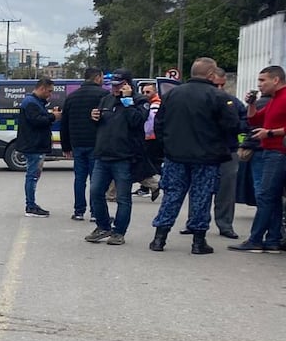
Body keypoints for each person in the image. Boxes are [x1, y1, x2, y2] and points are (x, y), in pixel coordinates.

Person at [148, 57, 239, 253]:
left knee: (172, 195)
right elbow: (232, 125)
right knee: (201, 197)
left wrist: (166, 148)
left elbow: (159, 123)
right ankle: (198, 242)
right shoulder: (218, 97)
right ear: (210, 74)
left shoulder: (172, 95)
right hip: (206, 158)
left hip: (175, 156)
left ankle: (159, 239)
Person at [84, 72, 148, 245]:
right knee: (96, 192)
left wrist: (128, 102)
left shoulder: (140, 100)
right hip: (102, 155)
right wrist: (94, 118)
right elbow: (102, 124)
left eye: (117, 85)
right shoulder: (106, 99)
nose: (113, 88)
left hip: (124, 157)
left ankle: (119, 232)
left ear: (126, 84)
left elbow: (137, 121)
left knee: (123, 197)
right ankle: (103, 226)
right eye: (111, 85)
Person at [229, 65, 286, 253]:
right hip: (270, 151)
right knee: (273, 197)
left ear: (275, 80)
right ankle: (272, 240)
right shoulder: (273, 100)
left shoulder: (284, 98)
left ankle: (256, 239)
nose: (259, 85)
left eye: (263, 80)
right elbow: (254, 120)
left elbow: (269, 128)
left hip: (277, 152)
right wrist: (252, 103)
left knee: (265, 195)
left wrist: (269, 133)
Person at [60, 68, 110, 220]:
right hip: (96, 143)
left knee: (79, 178)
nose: (102, 80)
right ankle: (96, 213)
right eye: (101, 77)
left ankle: (79, 211)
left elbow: (64, 123)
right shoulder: (103, 95)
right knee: (96, 180)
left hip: (77, 143)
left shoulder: (71, 97)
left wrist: (66, 146)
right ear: (97, 78)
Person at [15, 77, 62, 217]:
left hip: (35, 144)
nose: (50, 94)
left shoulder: (35, 102)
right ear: (42, 88)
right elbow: (37, 121)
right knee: (32, 176)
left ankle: (31, 204)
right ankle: (30, 206)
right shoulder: (31, 103)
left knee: (33, 175)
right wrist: (53, 117)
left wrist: (49, 114)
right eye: (49, 91)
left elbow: (39, 118)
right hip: (33, 145)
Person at [210, 67, 248, 239]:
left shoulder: (232, 102)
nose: (219, 89)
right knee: (199, 188)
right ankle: (194, 221)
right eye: (215, 85)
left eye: (222, 85)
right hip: (204, 150)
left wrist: (233, 125)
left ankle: (225, 224)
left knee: (226, 190)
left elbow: (246, 121)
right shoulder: (201, 100)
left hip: (228, 149)